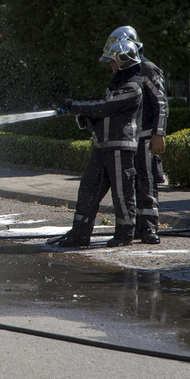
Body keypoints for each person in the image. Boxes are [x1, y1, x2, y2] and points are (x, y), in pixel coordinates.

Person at [51, 39, 144, 248]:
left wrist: (77, 107)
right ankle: (79, 234)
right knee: (87, 190)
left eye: (113, 61)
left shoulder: (132, 87)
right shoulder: (116, 86)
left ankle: (124, 234)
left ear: (123, 60)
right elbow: (104, 113)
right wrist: (88, 119)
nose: (111, 65)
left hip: (120, 148)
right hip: (102, 147)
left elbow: (106, 107)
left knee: (122, 194)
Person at [106, 26, 169, 244]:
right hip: (127, 140)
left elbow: (160, 102)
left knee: (146, 182)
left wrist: (158, 133)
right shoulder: (120, 73)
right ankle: (131, 228)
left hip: (145, 137)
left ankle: (149, 228)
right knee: (128, 185)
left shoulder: (148, 69)